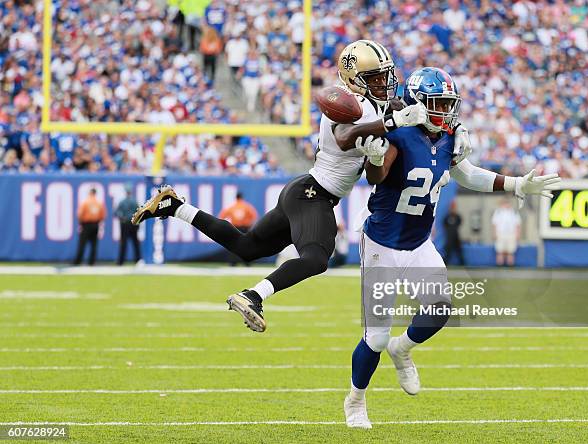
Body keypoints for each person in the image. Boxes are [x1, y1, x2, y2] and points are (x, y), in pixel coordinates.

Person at [132, 40, 430, 332]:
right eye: (375, 78)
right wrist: (392, 123)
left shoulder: (377, 106)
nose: (384, 83)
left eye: (385, 75)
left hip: (304, 191)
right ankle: (253, 295)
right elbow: (344, 136)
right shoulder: (348, 103)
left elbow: (384, 146)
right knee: (315, 259)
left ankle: (175, 206)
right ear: (354, 79)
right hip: (314, 195)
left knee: (246, 247)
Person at [343, 67, 561, 428]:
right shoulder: (398, 135)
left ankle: (405, 349)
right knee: (377, 337)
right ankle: (356, 400)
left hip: (417, 244)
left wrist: (516, 184)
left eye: (449, 103)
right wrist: (377, 159)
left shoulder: (447, 138)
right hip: (382, 243)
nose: (446, 110)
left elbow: (468, 174)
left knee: (441, 308)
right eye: (439, 103)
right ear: (417, 104)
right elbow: (376, 178)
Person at [218, 192, 258, 265]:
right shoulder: (247, 206)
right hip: (245, 228)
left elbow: (222, 216)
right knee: (246, 245)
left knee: (233, 245)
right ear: (242, 197)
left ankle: (233, 262)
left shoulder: (232, 207)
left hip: (234, 227)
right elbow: (254, 217)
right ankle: (247, 262)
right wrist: (249, 225)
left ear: (236, 198)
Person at [73, 188, 106, 266]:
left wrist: (81, 223)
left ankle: (78, 261)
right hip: (95, 224)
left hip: (86, 224)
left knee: (82, 244)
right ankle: (92, 262)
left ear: (90, 193)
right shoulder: (99, 203)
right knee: (94, 244)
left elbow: (80, 214)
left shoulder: (85, 202)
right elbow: (103, 215)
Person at [114, 185, 141, 265]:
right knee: (135, 242)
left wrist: (122, 217)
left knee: (123, 243)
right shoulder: (134, 201)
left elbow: (117, 212)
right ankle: (137, 259)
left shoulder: (122, 202)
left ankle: (121, 261)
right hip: (133, 224)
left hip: (125, 223)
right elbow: (139, 213)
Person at [492, 197, 521, 266]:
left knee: (510, 251)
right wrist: (494, 233)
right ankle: (499, 266)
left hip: (511, 234)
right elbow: (494, 224)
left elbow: (518, 224)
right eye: (504, 203)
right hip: (500, 234)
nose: (506, 205)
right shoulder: (498, 212)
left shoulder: (514, 212)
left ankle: (510, 266)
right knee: (500, 251)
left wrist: (517, 234)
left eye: (507, 203)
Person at [443, 201, 465, 265]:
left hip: (456, 235)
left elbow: (459, 223)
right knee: (448, 250)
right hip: (449, 236)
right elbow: (445, 224)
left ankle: (462, 263)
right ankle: (445, 263)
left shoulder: (457, 216)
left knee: (459, 250)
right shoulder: (447, 217)